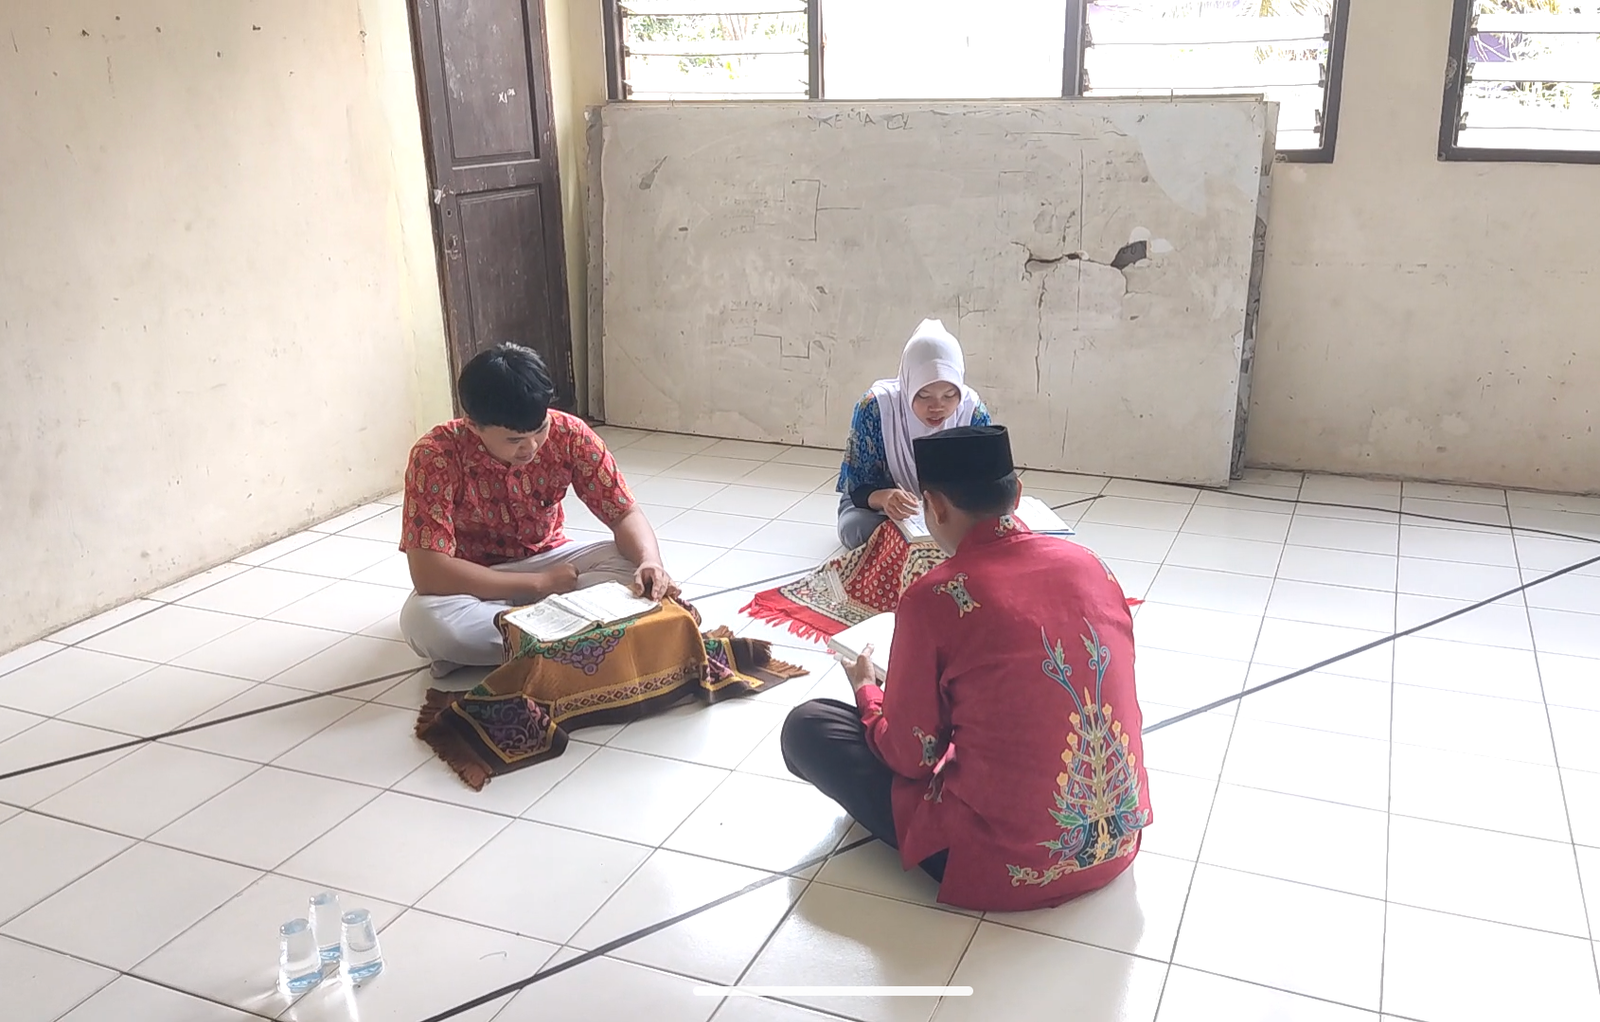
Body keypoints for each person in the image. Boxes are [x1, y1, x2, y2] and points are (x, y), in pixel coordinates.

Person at [782, 425, 1152, 912]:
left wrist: (869, 691)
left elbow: (910, 757)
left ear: (934, 506)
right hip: (1115, 845)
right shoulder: (1091, 565)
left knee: (808, 726)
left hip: (1005, 863)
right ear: (1016, 495)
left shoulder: (936, 595)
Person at [397, 343, 673, 678]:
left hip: (552, 558)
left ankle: (514, 643)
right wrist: (537, 584)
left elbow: (624, 513)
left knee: (636, 568)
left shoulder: (570, 433)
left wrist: (650, 562)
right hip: (474, 577)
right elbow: (429, 573)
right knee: (427, 624)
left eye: (540, 430)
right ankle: (579, 635)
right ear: (473, 426)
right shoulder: (435, 455)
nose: (530, 447)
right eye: (514, 440)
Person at [834, 319, 990, 550]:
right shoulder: (877, 407)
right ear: (908, 384)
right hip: (881, 509)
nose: (937, 407)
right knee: (856, 526)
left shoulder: (972, 411)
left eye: (949, 395)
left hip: (950, 510)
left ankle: (910, 547)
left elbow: (984, 483)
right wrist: (886, 497)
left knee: (991, 526)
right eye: (924, 395)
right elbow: (857, 488)